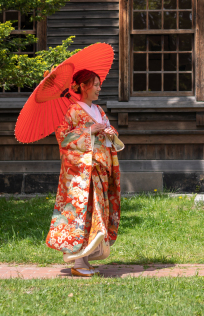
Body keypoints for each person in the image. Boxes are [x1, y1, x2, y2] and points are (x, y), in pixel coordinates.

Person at [45, 68, 124, 277]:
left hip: (99, 169)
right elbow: (64, 138)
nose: (99, 88)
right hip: (83, 173)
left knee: (97, 212)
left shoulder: (98, 109)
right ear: (83, 86)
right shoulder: (73, 111)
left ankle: (84, 260)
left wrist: (108, 133)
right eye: (95, 84)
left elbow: (110, 136)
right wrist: (89, 131)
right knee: (85, 213)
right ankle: (78, 261)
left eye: (99, 84)